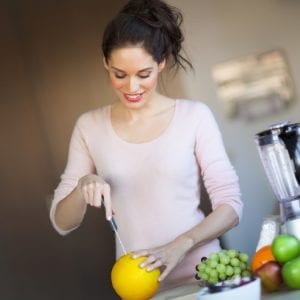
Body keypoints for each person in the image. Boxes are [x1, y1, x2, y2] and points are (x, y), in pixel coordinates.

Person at [50, 0, 243, 291]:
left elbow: (231, 206)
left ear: (161, 61)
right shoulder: (89, 127)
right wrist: (81, 186)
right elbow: (61, 222)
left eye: (143, 74)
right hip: (139, 288)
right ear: (105, 62)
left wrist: (179, 245)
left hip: (206, 276)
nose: (132, 87)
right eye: (119, 74)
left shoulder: (194, 116)